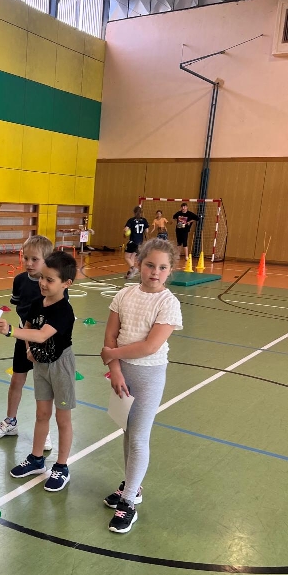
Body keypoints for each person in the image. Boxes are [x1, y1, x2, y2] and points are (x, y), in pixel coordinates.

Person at [100, 238, 182, 533]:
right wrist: (115, 369)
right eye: (149, 265)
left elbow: (150, 346)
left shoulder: (168, 303)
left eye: (162, 267)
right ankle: (131, 487)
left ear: (170, 270)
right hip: (122, 374)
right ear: (138, 263)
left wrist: (112, 354)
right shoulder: (124, 294)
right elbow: (110, 335)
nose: (155, 272)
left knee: (138, 437)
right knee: (127, 431)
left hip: (149, 375)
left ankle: (128, 503)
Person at [0, 251, 77, 493]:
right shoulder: (39, 302)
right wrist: (28, 349)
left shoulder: (64, 310)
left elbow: (41, 334)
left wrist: (9, 331)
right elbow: (29, 326)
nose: (43, 283)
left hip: (60, 366)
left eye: (50, 280)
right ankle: (37, 459)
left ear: (66, 283)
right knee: (41, 413)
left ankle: (61, 466)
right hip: (40, 364)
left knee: (63, 419)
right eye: (42, 278)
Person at [0, 235, 55, 451]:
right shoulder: (20, 281)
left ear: (47, 260)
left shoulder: (53, 284)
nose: (29, 263)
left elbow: (54, 318)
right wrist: (23, 340)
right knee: (17, 380)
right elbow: (20, 309)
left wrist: (34, 343)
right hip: (22, 336)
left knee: (44, 388)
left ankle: (45, 431)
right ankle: (10, 422)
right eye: (26, 258)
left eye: (35, 259)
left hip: (45, 342)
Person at [124, 205, 149, 279]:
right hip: (140, 242)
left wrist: (125, 233)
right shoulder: (144, 220)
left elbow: (126, 229)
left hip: (133, 241)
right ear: (141, 213)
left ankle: (133, 268)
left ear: (134, 212)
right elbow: (147, 231)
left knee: (127, 257)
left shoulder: (131, 220)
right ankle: (130, 274)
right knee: (132, 257)